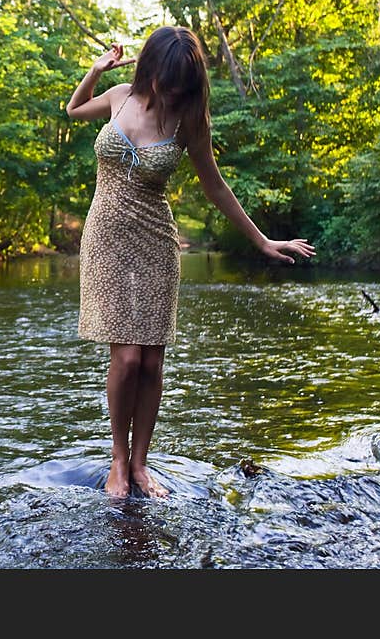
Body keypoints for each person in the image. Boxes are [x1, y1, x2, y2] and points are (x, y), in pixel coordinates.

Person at [65, 26, 315, 499]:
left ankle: (141, 465)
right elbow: (74, 109)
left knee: (152, 363)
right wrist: (95, 70)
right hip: (106, 238)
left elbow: (215, 186)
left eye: (181, 85)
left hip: (156, 240)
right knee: (126, 357)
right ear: (151, 68)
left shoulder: (188, 122)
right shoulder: (119, 96)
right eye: (166, 80)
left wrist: (261, 241)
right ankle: (118, 461)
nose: (171, 91)